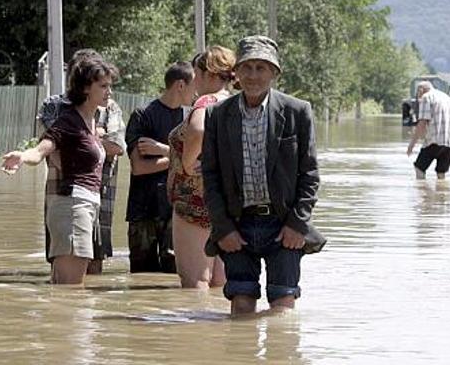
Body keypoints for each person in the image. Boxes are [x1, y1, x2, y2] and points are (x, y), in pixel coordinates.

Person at [202, 35, 326, 316]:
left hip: (284, 226)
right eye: (247, 67)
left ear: (274, 72)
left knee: (282, 311)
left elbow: (310, 175)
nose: (253, 75)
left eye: (261, 68)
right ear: (236, 73)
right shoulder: (218, 115)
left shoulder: (298, 111)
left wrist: (297, 224)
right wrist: (223, 228)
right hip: (238, 223)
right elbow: (210, 176)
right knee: (241, 307)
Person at [2, 55, 119, 284]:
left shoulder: (91, 122)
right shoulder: (69, 122)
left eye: (110, 86)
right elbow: (41, 150)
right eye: (103, 86)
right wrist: (22, 157)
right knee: (71, 293)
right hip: (73, 206)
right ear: (86, 88)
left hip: (83, 205)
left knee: (66, 292)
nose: (109, 92)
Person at [38, 49, 125, 275]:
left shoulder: (110, 107)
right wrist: (94, 136)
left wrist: (91, 138)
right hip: (66, 192)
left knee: (94, 259)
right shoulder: (54, 106)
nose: (108, 90)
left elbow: (118, 147)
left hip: (100, 193)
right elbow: (54, 148)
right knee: (66, 262)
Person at [167, 46, 236, 289]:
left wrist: (186, 163)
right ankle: (221, 327)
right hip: (226, 200)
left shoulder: (207, 100)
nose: (193, 78)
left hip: (195, 199)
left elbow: (198, 129)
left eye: (196, 72)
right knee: (220, 281)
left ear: (211, 74)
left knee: (195, 279)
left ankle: (196, 327)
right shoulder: (236, 103)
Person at [124, 61, 196, 273]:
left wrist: (164, 150)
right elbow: (138, 167)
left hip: (176, 209)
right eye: (193, 86)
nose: (196, 92)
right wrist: (179, 158)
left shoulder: (190, 119)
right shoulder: (143, 115)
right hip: (143, 209)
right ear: (180, 85)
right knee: (141, 277)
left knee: (175, 277)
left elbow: (196, 163)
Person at [406, 81, 450, 179]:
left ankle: (422, 192)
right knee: (441, 173)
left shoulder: (426, 97)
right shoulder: (447, 98)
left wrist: (411, 145)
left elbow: (422, 123)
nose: (418, 96)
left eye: (418, 93)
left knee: (419, 168)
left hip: (435, 140)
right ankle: (442, 193)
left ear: (421, 90)